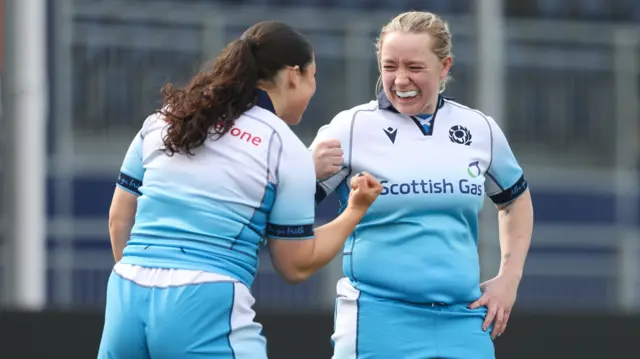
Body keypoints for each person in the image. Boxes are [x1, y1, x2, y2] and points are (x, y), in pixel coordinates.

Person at [98, 21, 382, 359]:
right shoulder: (281, 144)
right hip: (202, 298)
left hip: (126, 292)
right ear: (294, 75)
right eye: (313, 76)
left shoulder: (167, 117)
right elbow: (295, 265)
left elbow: (119, 219)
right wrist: (355, 209)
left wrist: (145, 284)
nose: (313, 87)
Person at [311, 11, 534, 359]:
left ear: (445, 66)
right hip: (376, 320)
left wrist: (509, 279)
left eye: (414, 67)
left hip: (463, 321)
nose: (400, 80)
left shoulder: (479, 129)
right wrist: (305, 173)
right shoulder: (351, 127)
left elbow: (515, 201)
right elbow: (293, 204)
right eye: (389, 66)